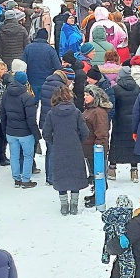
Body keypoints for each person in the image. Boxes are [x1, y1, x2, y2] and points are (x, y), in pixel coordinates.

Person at [42, 86, 90, 215]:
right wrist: (77, 141)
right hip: (75, 148)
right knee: (75, 175)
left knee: (61, 175)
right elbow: (85, 132)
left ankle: (64, 205)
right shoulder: (76, 112)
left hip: (59, 148)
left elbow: (46, 133)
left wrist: (55, 142)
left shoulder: (52, 113)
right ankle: (74, 205)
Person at [0, 70, 40, 188]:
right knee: (28, 156)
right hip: (25, 133)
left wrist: (5, 130)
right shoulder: (27, 97)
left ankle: (16, 179)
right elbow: (31, 119)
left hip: (11, 131)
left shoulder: (6, 93)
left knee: (14, 155)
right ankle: (26, 179)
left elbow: (3, 114)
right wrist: (36, 134)